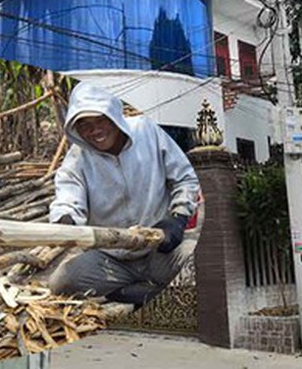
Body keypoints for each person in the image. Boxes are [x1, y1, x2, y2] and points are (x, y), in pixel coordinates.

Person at [47, 81, 201, 306]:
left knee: (204, 264)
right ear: (75, 128)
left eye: (100, 120)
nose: (95, 130)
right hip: (111, 258)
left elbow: (185, 178)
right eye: (85, 124)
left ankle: (146, 291)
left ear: (114, 116)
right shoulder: (77, 160)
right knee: (62, 283)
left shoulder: (148, 132)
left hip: (158, 249)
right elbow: (67, 199)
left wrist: (177, 219)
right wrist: (66, 221)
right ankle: (136, 293)